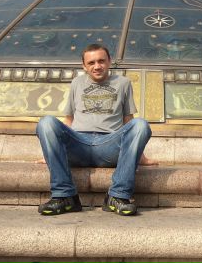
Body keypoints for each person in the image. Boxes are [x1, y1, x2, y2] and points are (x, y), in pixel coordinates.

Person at [36, 43, 152, 216]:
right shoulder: (76, 83)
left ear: (109, 61)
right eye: (91, 63)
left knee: (141, 124)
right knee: (46, 122)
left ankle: (118, 196)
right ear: (84, 66)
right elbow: (69, 120)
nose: (97, 66)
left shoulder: (123, 83)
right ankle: (64, 196)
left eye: (101, 61)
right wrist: (50, 152)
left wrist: (140, 156)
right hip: (78, 144)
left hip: (109, 146)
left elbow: (129, 122)